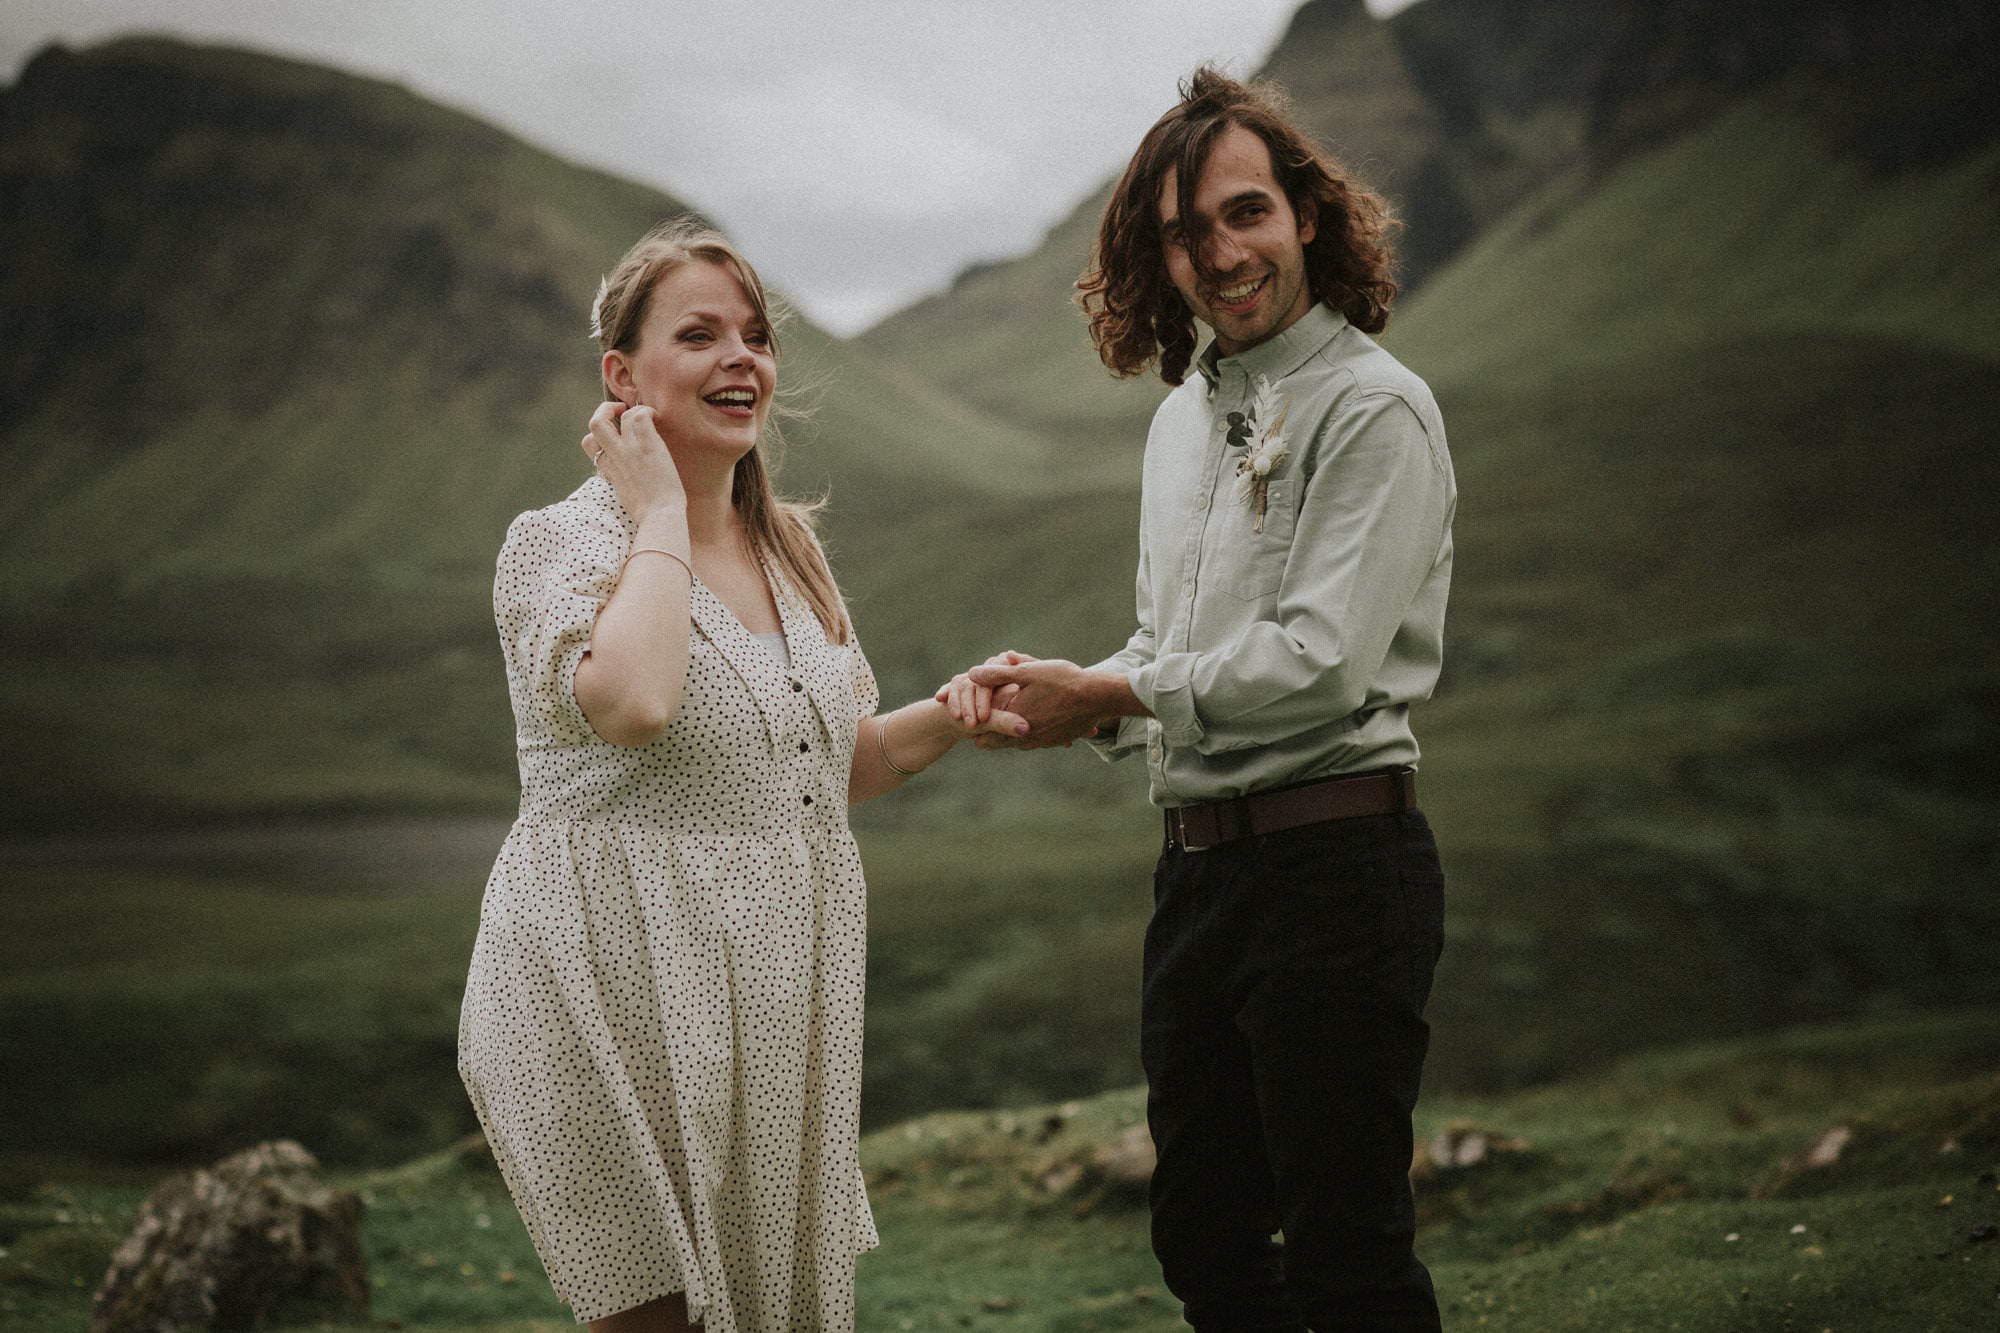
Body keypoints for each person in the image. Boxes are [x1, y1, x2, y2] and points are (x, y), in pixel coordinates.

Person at [943, 68, 1456, 1331]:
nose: (1220, 253)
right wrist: (1073, 700)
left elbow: (1321, 661)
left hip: (1338, 859)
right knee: (1204, 1239)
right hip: (1198, 877)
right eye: (1183, 233)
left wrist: (1114, 688)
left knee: (1346, 1250)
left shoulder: (1376, 408)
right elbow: (1170, 642)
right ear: (1153, 257)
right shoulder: (1179, 423)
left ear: (1304, 217)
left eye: (1244, 214)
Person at [457, 216, 1026, 1333]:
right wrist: (661, 510)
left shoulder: (788, 554)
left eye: (756, 336)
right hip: (603, 989)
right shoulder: (558, 544)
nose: (741, 359)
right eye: (700, 334)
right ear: (621, 375)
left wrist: (950, 716)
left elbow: (822, 772)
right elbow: (633, 702)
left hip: (768, 997)